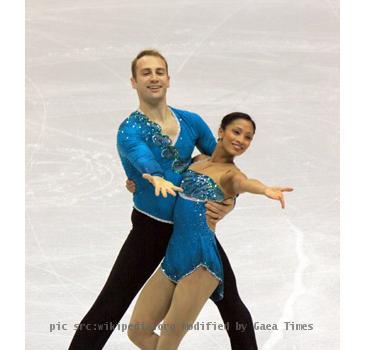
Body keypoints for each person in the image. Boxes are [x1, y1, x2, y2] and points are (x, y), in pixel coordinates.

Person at [69, 50, 258, 350]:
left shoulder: (191, 122)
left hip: (194, 227)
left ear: (168, 78)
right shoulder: (129, 130)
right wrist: (152, 177)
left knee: (232, 305)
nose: (154, 77)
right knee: (109, 307)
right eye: (146, 72)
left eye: (159, 71)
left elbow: (222, 164)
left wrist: (230, 202)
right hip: (150, 229)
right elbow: (145, 162)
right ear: (133, 82)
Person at [127, 112, 293, 349]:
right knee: (138, 332)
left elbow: (245, 184)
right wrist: (134, 184)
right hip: (174, 257)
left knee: (168, 339)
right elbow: (165, 176)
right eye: (237, 132)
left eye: (248, 137)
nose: (242, 140)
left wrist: (265, 189)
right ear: (220, 132)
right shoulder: (197, 161)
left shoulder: (231, 174)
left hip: (201, 264)